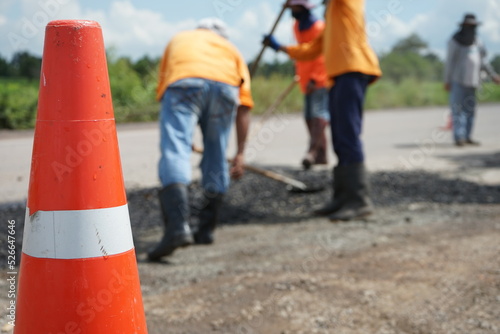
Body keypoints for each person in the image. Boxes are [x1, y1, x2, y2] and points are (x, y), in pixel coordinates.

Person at [264, 0, 381, 221]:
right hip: (337, 76)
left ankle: (359, 202)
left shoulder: (346, 4)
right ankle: (342, 198)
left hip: (353, 70)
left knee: (347, 135)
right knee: (339, 136)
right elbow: (311, 49)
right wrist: (280, 48)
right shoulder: (332, 17)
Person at [150, 18, 253, 261]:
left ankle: (177, 228)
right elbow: (244, 108)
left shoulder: (179, 40)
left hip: (184, 83)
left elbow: (165, 83)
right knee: (216, 151)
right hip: (226, 89)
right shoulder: (232, 51)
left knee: (176, 148)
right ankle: (205, 231)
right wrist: (240, 153)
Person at [444, 13, 500, 147]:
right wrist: (447, 80)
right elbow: (449, 62)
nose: (471, 29)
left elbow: (483, 62)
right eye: (469, 26)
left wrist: (493, 75)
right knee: (457, 110)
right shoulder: (455, 40)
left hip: (474, 81)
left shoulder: (477, 41)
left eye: (473, 26)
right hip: (458, 80)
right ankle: (459, 137)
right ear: (463, 26)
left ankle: (468, 136)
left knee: (470, 111)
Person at [288, 0, 330, 169]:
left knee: (318, 115)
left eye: (295, 7)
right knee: (309, 117)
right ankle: (322, 155)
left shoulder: (319, 27)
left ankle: (312, 151)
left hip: (319, 78)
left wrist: (315, 76)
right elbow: (302, 51)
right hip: (305, 78)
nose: (292, 10)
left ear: (304, 8)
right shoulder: (297, 26)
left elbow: (320, 55)